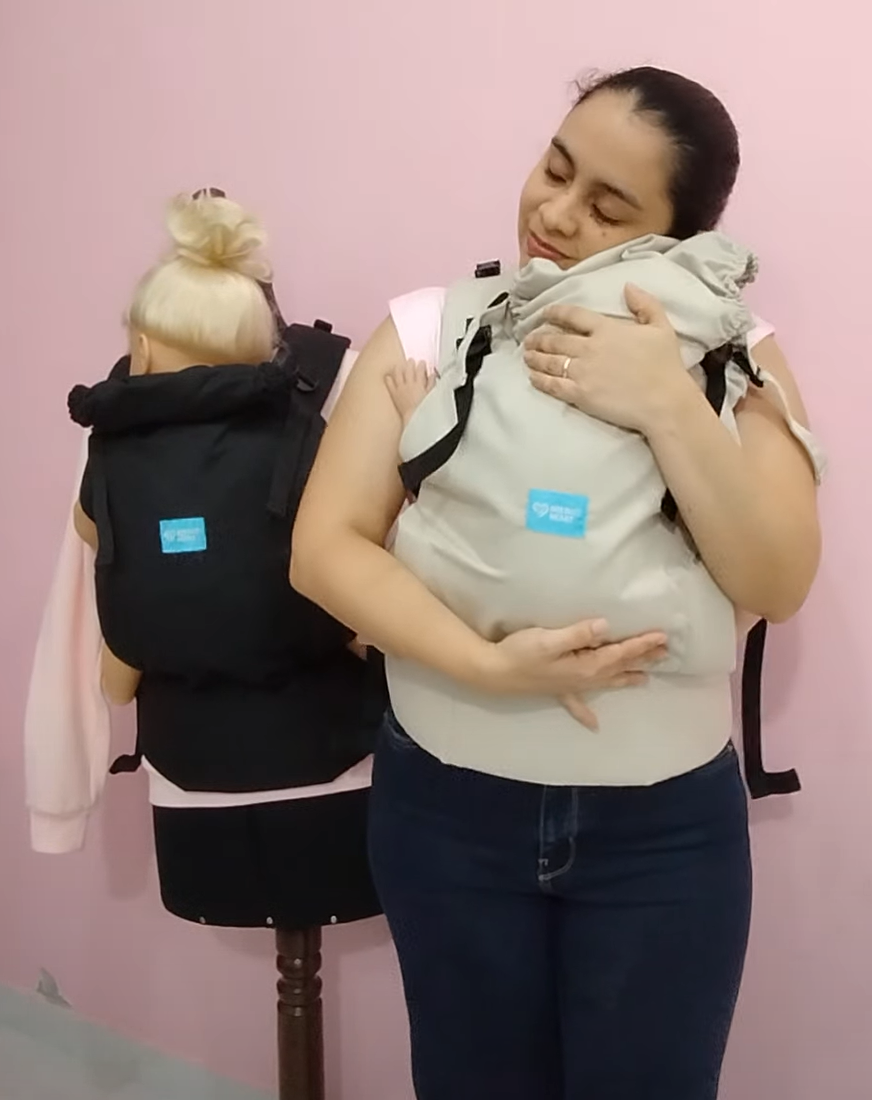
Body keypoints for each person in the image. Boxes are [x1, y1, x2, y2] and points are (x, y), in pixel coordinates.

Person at [290, 67, 824, 1100]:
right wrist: (486, 664)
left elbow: (777, 577)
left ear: (675, 237)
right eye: (555, 168)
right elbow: (324, 549)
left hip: (664, 833)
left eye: (608, 207)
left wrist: (665, 400)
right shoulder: (429, 328)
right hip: (445, 812)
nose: (557, 213)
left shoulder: (735, 352)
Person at [68, 191, 386, 932]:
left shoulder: (111, 448)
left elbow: (94, 545)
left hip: (185, 768)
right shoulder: (311, 422)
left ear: (143, 344)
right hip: (331, 753)